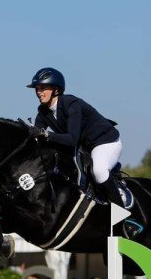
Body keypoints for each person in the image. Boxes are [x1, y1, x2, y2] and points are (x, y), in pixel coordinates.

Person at [26, 67, 143, 238]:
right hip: (85, 147)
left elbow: (72, 139)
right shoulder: (43, 111)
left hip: (105, 142)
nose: (39, 92)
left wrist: (45, 134)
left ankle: (127, 220)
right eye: (37, 88)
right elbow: (38, 137)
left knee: (99, 170)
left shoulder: (71, 104)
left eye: (43, 88)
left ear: (56, 90)